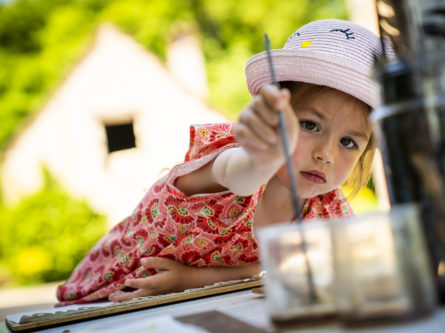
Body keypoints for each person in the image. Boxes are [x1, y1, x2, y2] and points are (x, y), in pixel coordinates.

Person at [56, 19, 392, 305]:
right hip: (99, 301)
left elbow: (293, 269)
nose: (326, 153)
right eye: (309, 125)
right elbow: (242, 174)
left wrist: (191, 280)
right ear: (274, 114)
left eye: (349, 142)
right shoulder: (233, 159)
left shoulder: (326, 212)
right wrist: (266, 154)